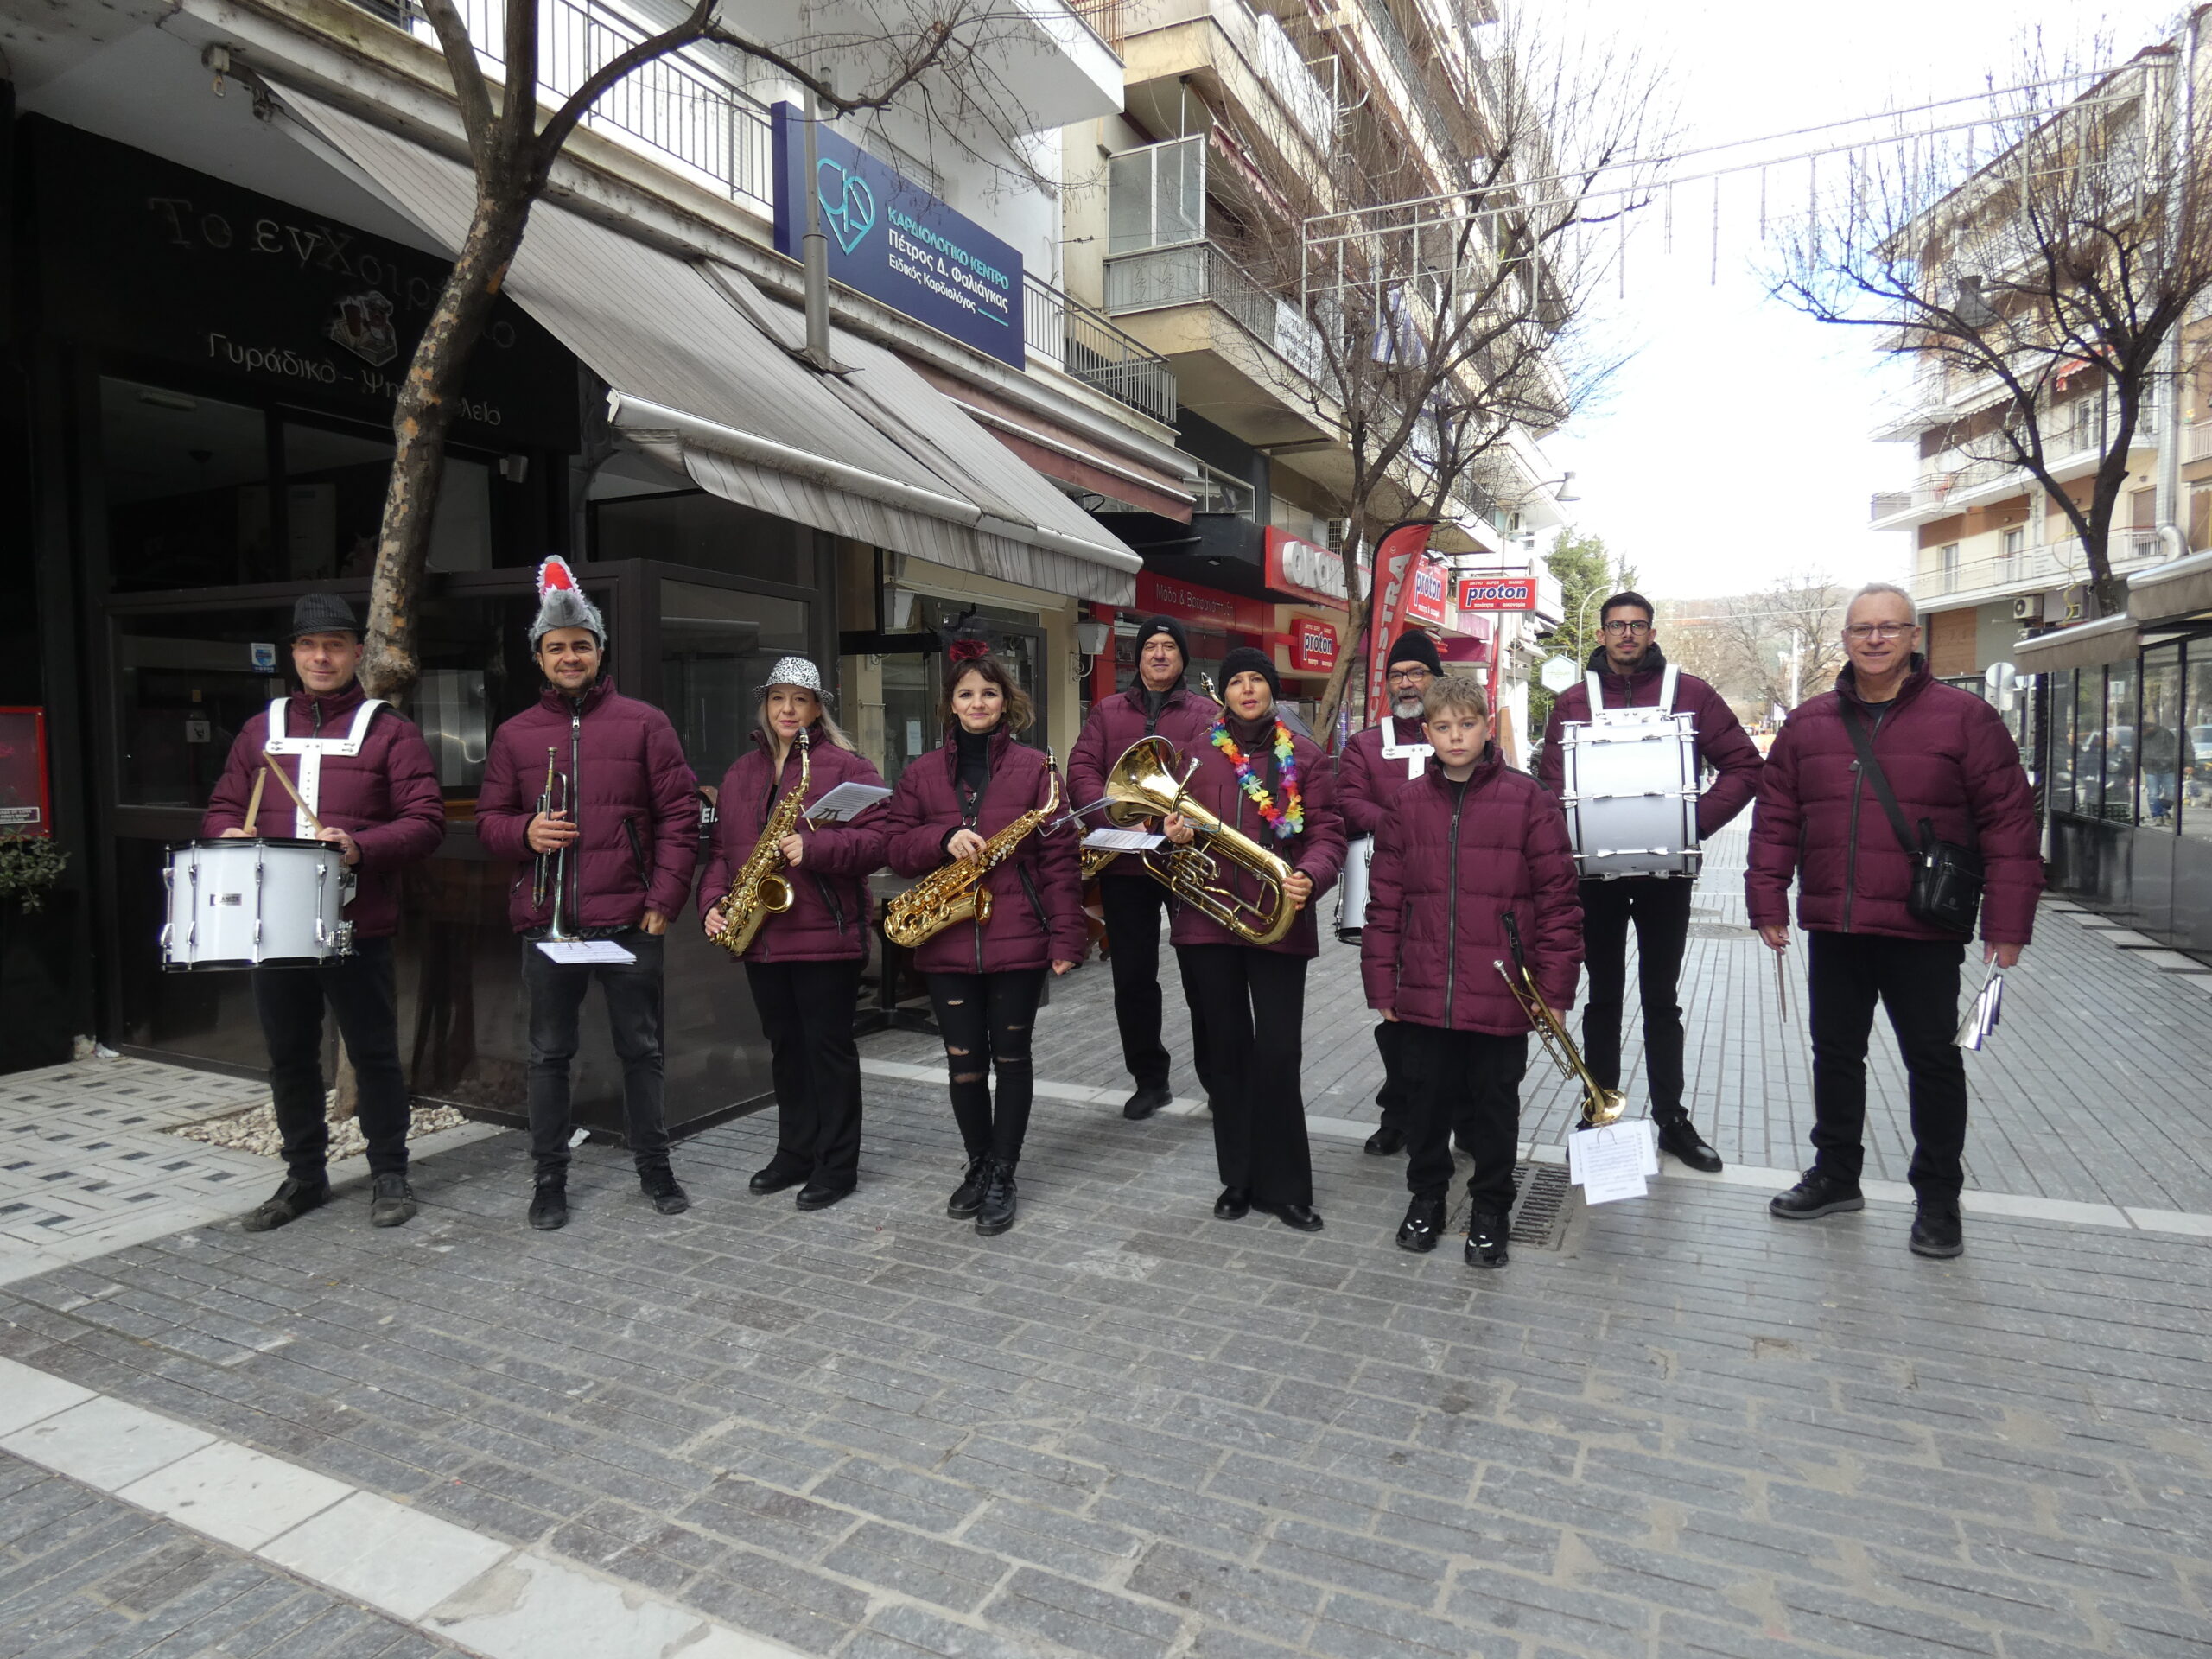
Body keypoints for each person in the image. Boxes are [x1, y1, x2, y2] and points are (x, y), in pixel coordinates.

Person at [1747, 582, 2041, 1259]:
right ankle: (1835, 1175)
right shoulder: (1809, 724)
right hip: (1837, 923)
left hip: (1923, 927)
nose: (1874, 639)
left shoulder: (1966, 720)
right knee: (1835, 1057)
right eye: (1861, 629)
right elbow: (1777, 818)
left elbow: (2009, 825)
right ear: (1845, 640)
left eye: (1890, 627)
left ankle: (1938, 1200)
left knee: (1932, 1063)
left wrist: (2009, 923)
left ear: (1914, 638)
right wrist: (1767, 897)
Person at [201, 594, 446, 1232]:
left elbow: (425, 823)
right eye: (309, 646)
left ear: (356, 653)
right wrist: (227, 833)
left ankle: (390, 1171)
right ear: (293, 655)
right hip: (274, 926)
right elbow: (224, 806)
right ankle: (304, 1177)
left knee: (373, 1055)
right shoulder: (260, 730)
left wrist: (362, 847)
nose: (321, 656)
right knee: (288, 1055)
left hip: (356, 924)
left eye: (334, 645)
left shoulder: (391, 730)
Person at [476, 558, 701, 1231]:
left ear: (599, 652)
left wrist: (664, 900)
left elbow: (680, 817)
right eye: (556, 646)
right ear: (539, 657)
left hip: (629, 920)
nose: (569, 656)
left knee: (643, 1050)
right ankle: (548, 1178)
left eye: (580, 644)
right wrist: (525, 830)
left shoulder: (644, 723)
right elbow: (488, 824)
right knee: (548, 1056)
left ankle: (654, 1167)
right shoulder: (514, 735)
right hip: (548, 924)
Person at [1537, 591, 1763, 1173]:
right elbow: (1549, 791)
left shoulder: (1692, 694)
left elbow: (1745, 765)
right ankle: (1599, 1109)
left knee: (1662, 999)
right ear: (1603, 634)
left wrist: (1693, 825)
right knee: (1603, 996)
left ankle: (1673, 1121)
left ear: (1652, 631)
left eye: (1638, 626)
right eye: (1617, 626)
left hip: (1668, 875)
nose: (1628, 635)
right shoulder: (1570, 703)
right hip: (1594, 878)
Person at [1361, 675, 1580, 1268]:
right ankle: (1426, 1198)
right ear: (1426, 732)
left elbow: (1559, 903)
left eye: (1467, 724)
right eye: (1443, 727)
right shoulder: (1406, 807)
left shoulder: (1529, 800)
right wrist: (1382, 981)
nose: (1455, 737)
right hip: (1425, 991)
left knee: (1493, 1107)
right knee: (1425, 1104)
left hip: (1503, 992)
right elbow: (1383, 904)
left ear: (1487, 726)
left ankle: (1490, 1208)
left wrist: (1555, 990)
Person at [881, 645, 1084, 1236]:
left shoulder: (1036, 770)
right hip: (945, 935)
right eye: (966, 693)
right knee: (963, 1063)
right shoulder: (919, 773)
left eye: (989, 693)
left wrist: (1067, 937)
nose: (978, 703)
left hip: (1018, 935)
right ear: (951, 703)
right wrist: (943, 837)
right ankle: (978, 1163)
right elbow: (894, 846)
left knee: (1011, 1059)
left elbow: (1061, 859)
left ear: (1006, 703)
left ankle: (1004, 1172)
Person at [1163, 646, 1345, 1231]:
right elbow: (1167, 833)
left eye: (1256, 680)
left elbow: (1329, 837)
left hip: (1279, 921)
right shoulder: (1193, 756)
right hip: (1207, 922)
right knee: (1229, 1054)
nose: (1247, 689)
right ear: (1223, 693)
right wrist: (1171, 834)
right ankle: (1237, 1179)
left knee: (1279, 1054)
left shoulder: (1308, 757)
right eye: (1236, 680)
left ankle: (1287, 1186)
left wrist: (1310, 875)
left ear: (1272, 692)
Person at [699, 657, 888, 1212]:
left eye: (799, 700)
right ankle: (795, 1151)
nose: (788, 709)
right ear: (766, 705)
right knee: (785, 1049)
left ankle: (838, 1164)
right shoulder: (740, 772)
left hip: (824, 932)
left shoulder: (849, 767)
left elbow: (881, 841)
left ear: (817, 709)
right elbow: (719, 853)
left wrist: (819, 848)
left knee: (827, 1050)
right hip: (762, 933)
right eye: (778, 699)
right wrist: (712, 902)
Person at [1066, 615, 1222, 1120]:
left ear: (1182, 658)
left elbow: (1217, 775)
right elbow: (1082, 768)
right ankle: (1149, 1080)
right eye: (1150, 646)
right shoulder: (1108, 710)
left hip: (1184, 858)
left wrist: (1166, 822)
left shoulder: (1204, 712)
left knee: (1202, 974)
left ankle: (1219, 1082)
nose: (1159, 654)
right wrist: (1116, 815)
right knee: (1133, 978)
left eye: (1168, 647)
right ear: (1138, 657)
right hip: (1124, 858)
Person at [1332, 626, 1446, 1157]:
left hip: (1452, 895)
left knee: (1451, 1005)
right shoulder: (1364, 745)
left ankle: (1460, 1115)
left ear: (1434, 680)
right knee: (1394, 1008)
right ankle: (1398, 1113)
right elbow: (1350, 803)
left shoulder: (1456, 731)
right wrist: (1408, 828)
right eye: (1397, 674)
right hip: (1389, 894)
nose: (1406, 683)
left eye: (1416, 673)